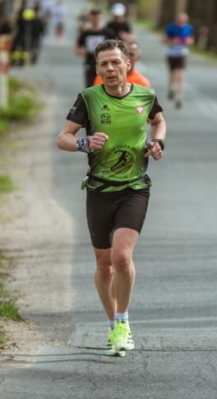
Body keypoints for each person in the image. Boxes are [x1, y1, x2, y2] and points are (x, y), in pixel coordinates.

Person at [57, 39, 166, 357]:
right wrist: (83, 143)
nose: (110, 68)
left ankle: (123, 322)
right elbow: (62, 137)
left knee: (121, 257)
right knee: (104, 266)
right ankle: (112, 323)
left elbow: (158, 120)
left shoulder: (145, 95)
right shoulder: (89, 99)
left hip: (134, 188)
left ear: (128, 65)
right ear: (97, 69)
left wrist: (157, 144)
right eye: (103, 64)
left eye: (115, 62)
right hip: (99, 190)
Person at [76, 8, 115, 87]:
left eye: (97, 18)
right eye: (93, 18)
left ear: (100, 18)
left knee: (105, 86)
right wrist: (82, 51)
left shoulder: (108, 32)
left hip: (105, 64)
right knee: (90, 87)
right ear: (90, 19)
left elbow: (116, 47)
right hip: (90, 64)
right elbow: (77, 48)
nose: (95, 20)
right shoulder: (86, 33)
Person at [163, 12, 194, 109]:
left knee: (181, 76)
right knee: (172, 74)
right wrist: (172, 41)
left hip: (182, 54)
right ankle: (171, 88)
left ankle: (179, 97)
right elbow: (163, 40)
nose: (182, 22)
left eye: (184, 21)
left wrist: (188, 41)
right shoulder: (171, 28)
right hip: (171, 54)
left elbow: (191, 40)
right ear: (177, 20)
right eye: (180, 20)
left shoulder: (188, 28)